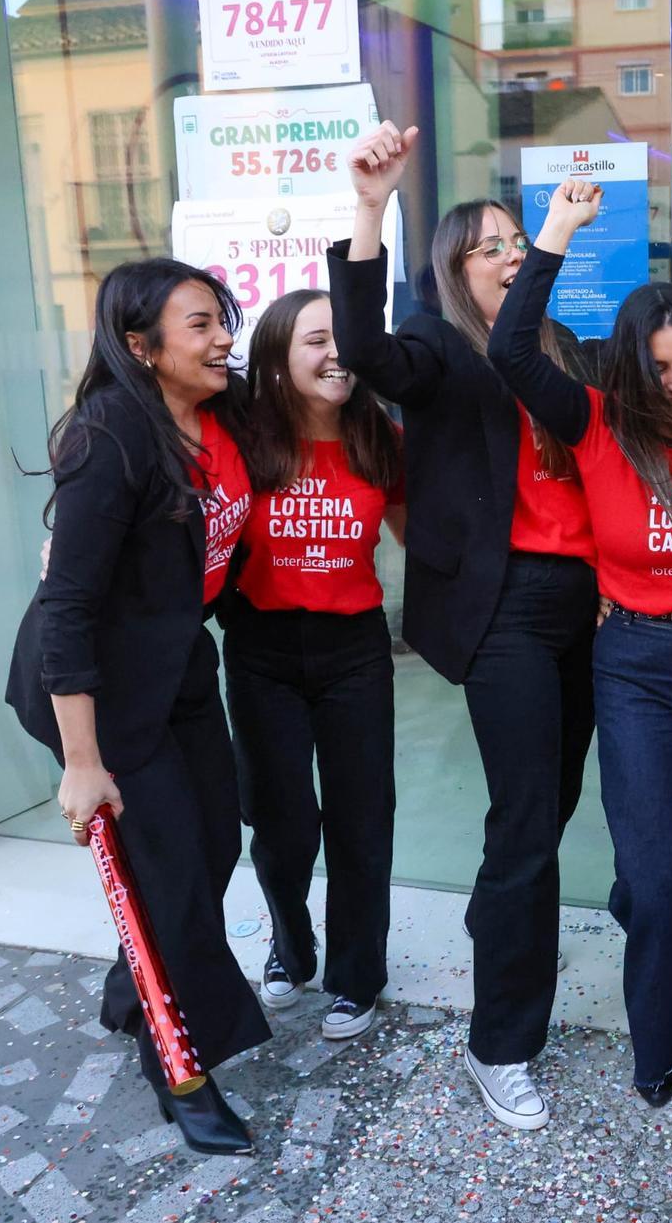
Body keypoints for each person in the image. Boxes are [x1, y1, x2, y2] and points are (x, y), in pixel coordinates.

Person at [328, 122, 672, 1129]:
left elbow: (659, 359)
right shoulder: (436, 348)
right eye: (492, 247)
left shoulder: (562, 352)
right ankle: (501, 1042)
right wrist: (369, 207)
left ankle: (496, 920)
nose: (515, 254)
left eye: (522, 242)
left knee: (549, 809)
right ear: (453, 269)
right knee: (525, 823)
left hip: (583, 605)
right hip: (501, 608)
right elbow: (363, 350)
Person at [488, 180, 672, 1108]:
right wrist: (558, 236)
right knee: (656, 881)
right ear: (629, 369)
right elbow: (508, 347)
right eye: (660, 366)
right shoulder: (596, 424)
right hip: (634, 667)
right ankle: (656, 1039)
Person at [6, 258, 270, 1154]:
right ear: (140, 346)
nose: (222, 336)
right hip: (98, 689)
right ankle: (182, 1068)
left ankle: (131, 991)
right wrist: (84, 763)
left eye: (222, 319)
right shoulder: (110, 434)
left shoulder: (222, 415)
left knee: (215, 838)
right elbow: (70, 606)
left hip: (177, 665)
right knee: (171, 874)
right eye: (199, 324)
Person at [219, 289, 404, 1041]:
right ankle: (291, 948)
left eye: (344, 340)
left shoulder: (380, 438)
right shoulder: (243, 439)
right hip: (263, 649)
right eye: (316, 341)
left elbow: (426, 535)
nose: (336, 356)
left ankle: (358, 975)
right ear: (275, 357)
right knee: (281, 819)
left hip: (354, 649)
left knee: (363, 818)